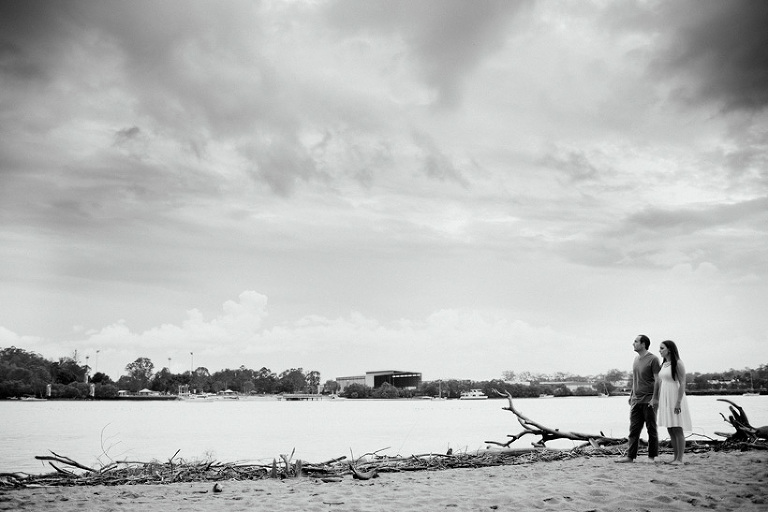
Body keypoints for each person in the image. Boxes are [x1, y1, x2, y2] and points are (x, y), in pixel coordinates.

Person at [616, 334, 660, 463]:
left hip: (649, 400)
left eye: (635, 341)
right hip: (636, 400)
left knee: (651, 429)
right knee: (633, 430)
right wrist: (631, 395)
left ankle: (651, 457)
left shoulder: (653, 359)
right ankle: (630, 457)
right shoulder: (635, 359)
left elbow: (658, 380)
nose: (633, 343)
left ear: (643, 344)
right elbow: (635, 380)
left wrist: (655, 398)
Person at [657, 340, 692, 464]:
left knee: (677, 427)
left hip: (675, 396)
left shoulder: (678, 363)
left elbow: (682, 383)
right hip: (665, 396)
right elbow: (661, 381)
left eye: (662, 348)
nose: (660, 351)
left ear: (669, 349)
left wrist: (678, 402)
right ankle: (675, 457)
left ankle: (680, 459)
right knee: (670, 428)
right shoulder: (664, 364)